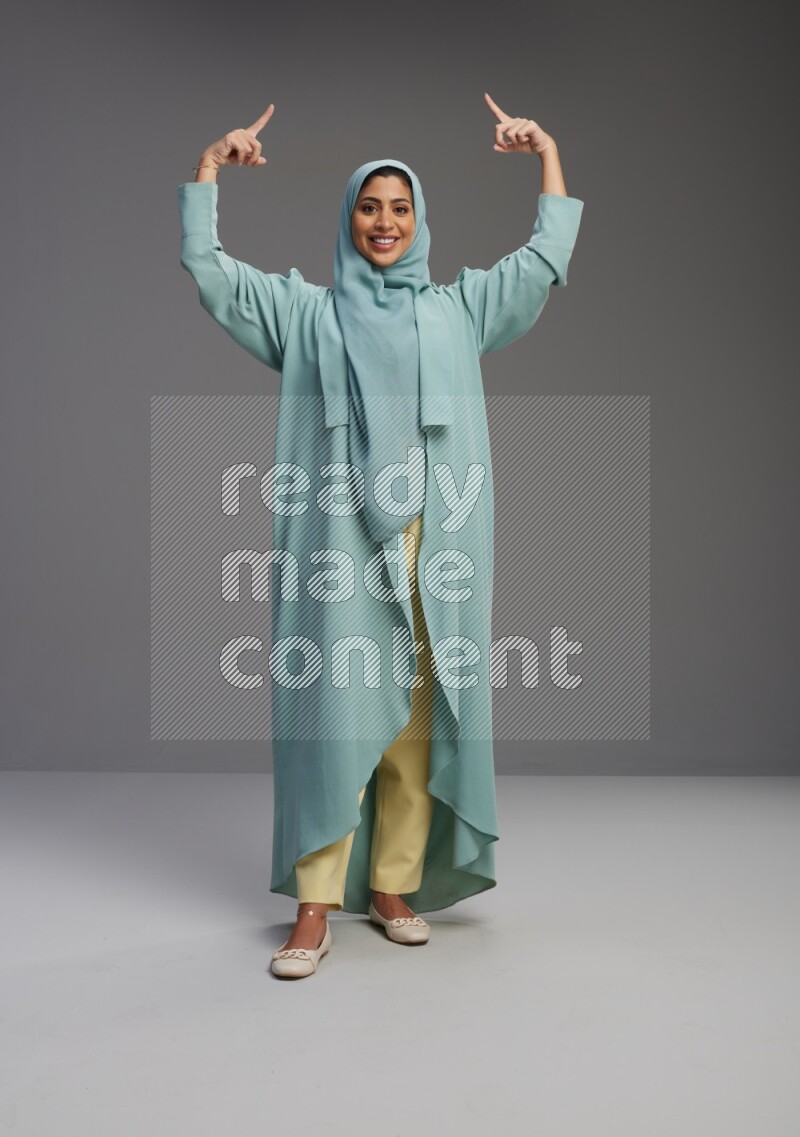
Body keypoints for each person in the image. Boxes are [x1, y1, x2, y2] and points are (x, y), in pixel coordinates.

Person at [178, 94, 584, 979]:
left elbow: (546, 258)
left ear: (420, 219)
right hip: (339, 555)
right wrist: (210, 168)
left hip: (435, 550)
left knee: (413, 725)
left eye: (400, 208)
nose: (385, 221)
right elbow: (208, 271)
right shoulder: (305, 315)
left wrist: (546, 152)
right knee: (333, 718)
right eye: (370, 206)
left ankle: (395, 886)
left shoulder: (457, 311)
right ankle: (314, 906)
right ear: (349, 218)